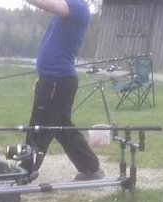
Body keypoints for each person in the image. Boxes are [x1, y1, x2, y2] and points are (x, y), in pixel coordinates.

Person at [22, 0, 105, 181]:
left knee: (39, 127)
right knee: (62, 128)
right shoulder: (66, 12)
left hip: (57, 81)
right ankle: (91, 168)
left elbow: (51, 5)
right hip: (53, 79)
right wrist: (42, 76)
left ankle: (24, 172)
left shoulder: (78, 7)